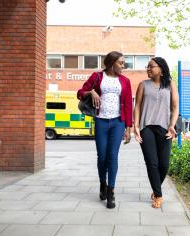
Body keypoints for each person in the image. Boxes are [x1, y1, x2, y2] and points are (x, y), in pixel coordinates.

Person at [77, 51, 132, 209]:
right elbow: (79, 93)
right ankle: (103, 183)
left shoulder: (125, 81)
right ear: (111, 63)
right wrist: (91, 91)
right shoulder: (97, 77)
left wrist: (128, 128)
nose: (123, 66)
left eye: (124, 63)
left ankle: (111, 191)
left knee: (112, 156)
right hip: (101, 121)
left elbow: (128, 105)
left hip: (117, 122)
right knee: (102, 156)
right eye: (121, 63)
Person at [133, 57, 179, 209]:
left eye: (151, 66)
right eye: (147, 66)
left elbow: (175, 107)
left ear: (161, 68)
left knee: (164, 164)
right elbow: (138, 106)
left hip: (165, 128)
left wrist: (172, 125)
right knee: (152, 163)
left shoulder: (170, 85)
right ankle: (158, 195)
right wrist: (136, 126)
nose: (148, 69)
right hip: (147, 128)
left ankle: (155, 188)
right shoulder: (143, 85)